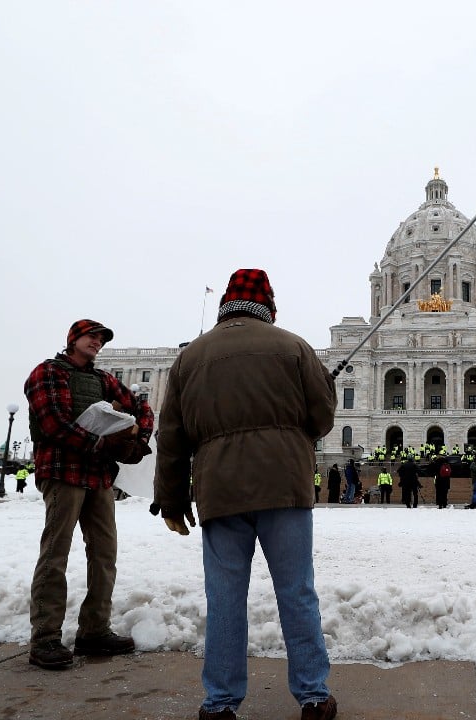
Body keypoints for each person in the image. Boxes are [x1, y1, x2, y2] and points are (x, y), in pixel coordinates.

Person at [153, 269, 338, 720]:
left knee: (225, 599)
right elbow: (323, 417)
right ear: (268, 305)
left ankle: (219, 703)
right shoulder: (293, 347)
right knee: (297, 593)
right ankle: (313, 695)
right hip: (284, 487)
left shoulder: (190, 358)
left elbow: (171, 437)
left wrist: (173, 501)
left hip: (220, 490)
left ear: (225, 307)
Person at [24, 318, 154, 670]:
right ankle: (46, 637)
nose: (97, 342)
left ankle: (94, 629)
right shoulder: (47, 373)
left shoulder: (104, 380)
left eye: (101, 339)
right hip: (62, 472)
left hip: (98, 476)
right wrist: (101, 442)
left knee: (104, 553)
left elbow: (141, 407)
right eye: (91, 337)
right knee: (56, 552)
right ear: (73, 339)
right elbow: (53, 423)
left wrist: (137, 440)